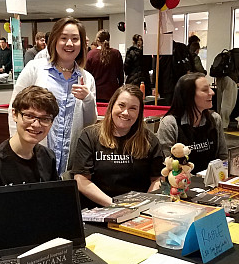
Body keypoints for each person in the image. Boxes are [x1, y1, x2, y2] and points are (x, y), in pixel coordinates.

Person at [0, 85, 60, 257]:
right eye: (29, 116)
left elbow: (53, 207)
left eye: (45, 119)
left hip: (38, 242)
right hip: (6, 247)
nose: (36, 124)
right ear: (14, 114)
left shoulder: (48, 158)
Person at [10, 17, 96, 176]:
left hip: (70, 161)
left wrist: (88, 98)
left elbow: (90, 124)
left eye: (75, 39)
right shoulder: (35, 69)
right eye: (63, 38)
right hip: (33, 156)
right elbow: (14, 109)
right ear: (54, 40)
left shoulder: (87, 78)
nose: (69, 44)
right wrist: (18, 151)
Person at [72, 84, 163, 207]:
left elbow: (157, 179)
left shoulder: (149, 140)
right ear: (111, 106)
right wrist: (115, 205)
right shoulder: (89, 136)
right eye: (121, 105)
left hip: (138, 210)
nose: (125, 112)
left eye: (133, 108)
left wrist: (144, 205)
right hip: (98, 209)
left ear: (139, 113)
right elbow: (81, 180)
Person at [157, 73, 227, 173]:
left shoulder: (215, 119)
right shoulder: (170, 123)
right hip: (182, 183)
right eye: (205, 90)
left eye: (210, 88)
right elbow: (167, 165)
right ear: (188, 95)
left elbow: (223, 156)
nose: (212, 93)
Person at [85, 29, 124, 102]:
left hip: (96, 92)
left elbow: (87, 74)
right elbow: (120, 74)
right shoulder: (116, 53)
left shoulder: (91, 54)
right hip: (112, 92)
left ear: (98, 40)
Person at [215, 47, 239, 129]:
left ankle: (218, 122)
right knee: (228, 103)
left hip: (219, 78)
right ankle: (224, 124)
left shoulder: (227, 54)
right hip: (230, 79)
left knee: (220, 102)